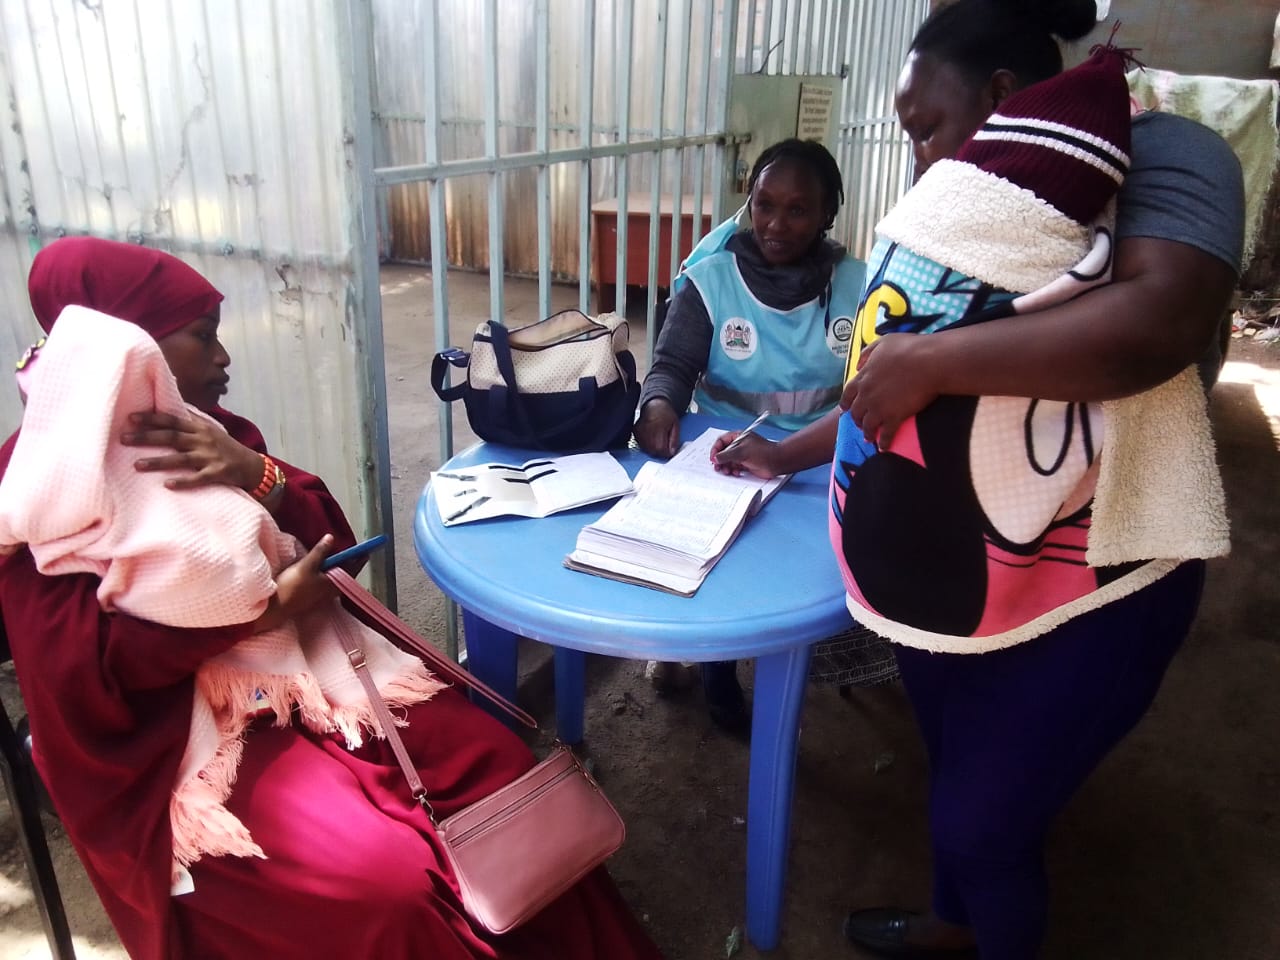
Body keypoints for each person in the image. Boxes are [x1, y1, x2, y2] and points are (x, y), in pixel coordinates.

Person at [714, 1, 1244, 957]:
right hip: (952, 592)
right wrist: (792, 451)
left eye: (926, 127)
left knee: (984, 826)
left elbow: (1162, 320)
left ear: (1003, 95)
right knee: (955, 769)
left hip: (1091, 588)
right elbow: (895, 369)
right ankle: (953, 924)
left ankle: (975, 912)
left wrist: (938, 364)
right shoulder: (954, 205)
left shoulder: (1165, 152)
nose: (918, 156)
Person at [0, 237, 663, 960]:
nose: (224, 359)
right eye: (202, 337)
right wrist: (257, 610)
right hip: (179, 739)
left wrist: (260, 475)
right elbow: (77, 678)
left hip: (314, 672)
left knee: (495, 767)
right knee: (387, 887)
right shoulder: (42, 495)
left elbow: (331, 543)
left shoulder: (210, 436)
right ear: (129, 348)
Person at [633, 138, 896, 736]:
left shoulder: (862, 285)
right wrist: (658, 407)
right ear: (747, 203)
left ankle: (814, 661)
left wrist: (788, 455)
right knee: (719, 561)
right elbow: (672, 364)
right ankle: (717, 671)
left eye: (798, 210)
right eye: (764, 204)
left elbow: (872, 392)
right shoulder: (711, 279)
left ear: (828, 213)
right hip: (723, 456)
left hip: (823, 456)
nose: (776, 224)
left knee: (809, 576)